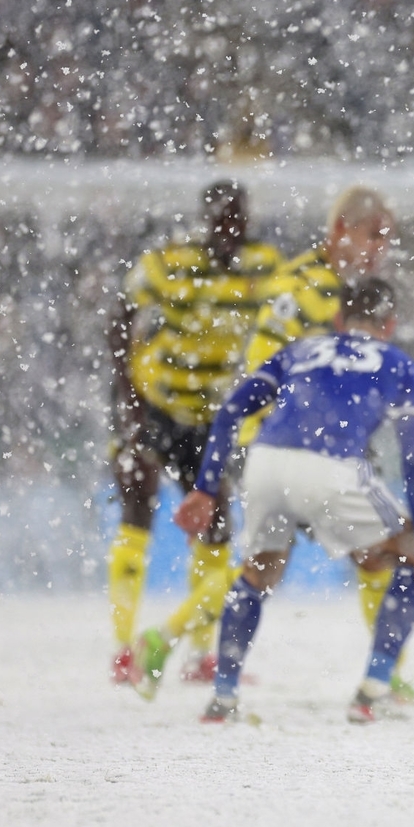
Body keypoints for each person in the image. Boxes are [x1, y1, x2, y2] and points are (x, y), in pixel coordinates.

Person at [174, 278, 414, 724]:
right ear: (389, 324)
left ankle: (223, 697)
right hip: (334, 467)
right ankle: (372, 691)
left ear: (338, 320)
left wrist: (204, 485)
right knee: (407, 557)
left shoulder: (300, 349)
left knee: (256, 575)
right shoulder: (399, 363)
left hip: (266, 462)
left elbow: (231, 411)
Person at [106, 181, 281, 686]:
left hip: (213, 416)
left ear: (247, 222)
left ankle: (202, 655)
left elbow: (290, 306)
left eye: (237, 219)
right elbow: (120, 315)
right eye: (221, 219)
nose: (229, 229)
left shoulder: (262, 267)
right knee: (138, 504)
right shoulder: (170, 263)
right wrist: (128, 399)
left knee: (215, 525)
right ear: (206, 221)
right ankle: (123, 649)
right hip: (157, 405)